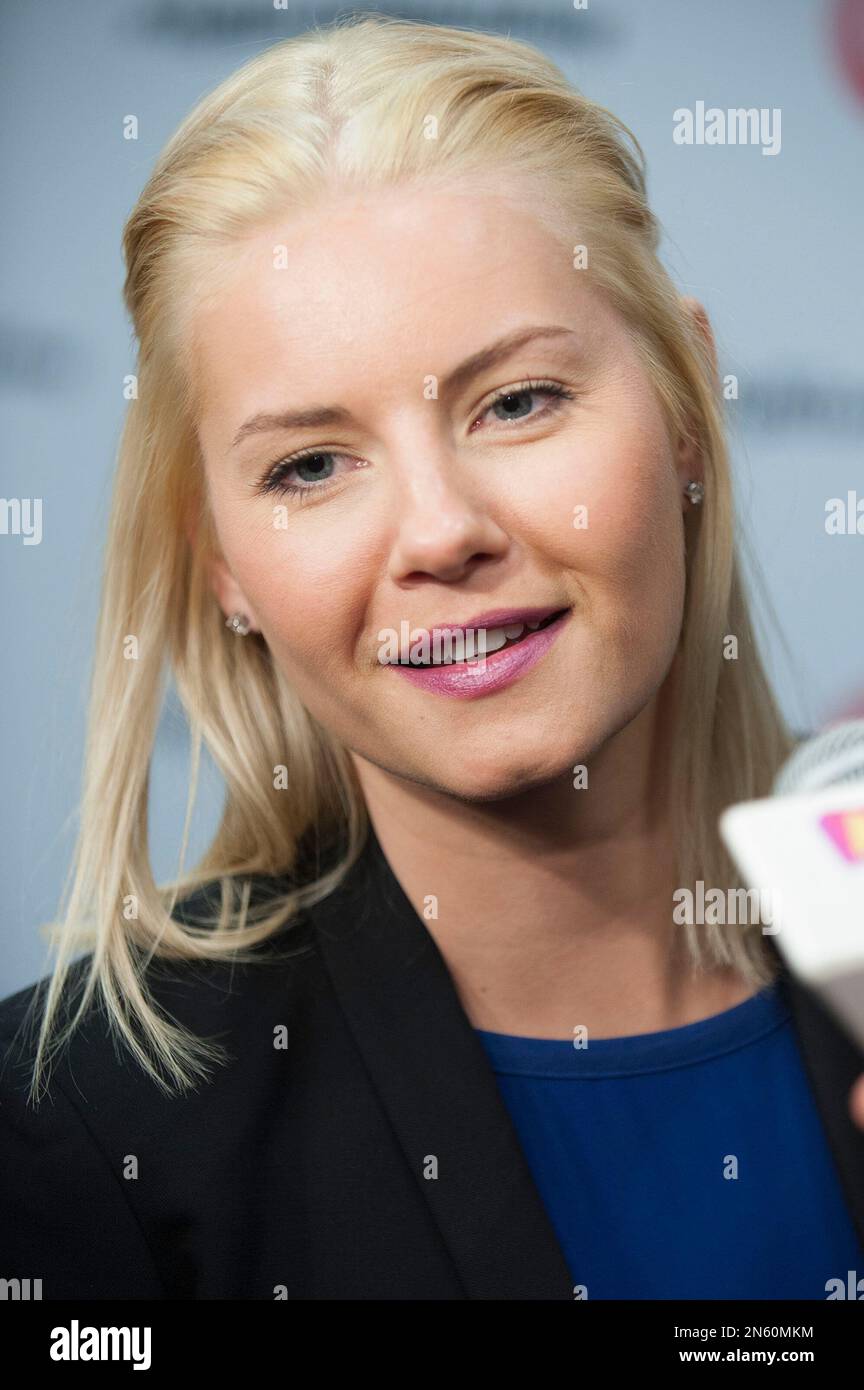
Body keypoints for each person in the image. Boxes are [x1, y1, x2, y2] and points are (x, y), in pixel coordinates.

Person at [2, 13, 863, 1301]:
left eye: (518, 401)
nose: (442, 533)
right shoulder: (74, 1133)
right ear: (221, 560)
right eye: (310, 466)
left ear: (687, 399)